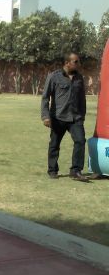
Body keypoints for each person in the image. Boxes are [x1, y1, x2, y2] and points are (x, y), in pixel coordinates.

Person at [41, 52, 88, 181]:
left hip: (75, 118)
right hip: (58, 117)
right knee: (54, 144)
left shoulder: (79, 78)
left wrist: (82, 116)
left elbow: (82, 99)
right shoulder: (54, 77)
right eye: (76, 62)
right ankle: (52, 170)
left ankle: (76, 171)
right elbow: (45, 98)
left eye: (78, 61)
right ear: (67, 63)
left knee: (80, 141)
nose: (78, 64)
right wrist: (45, 116)